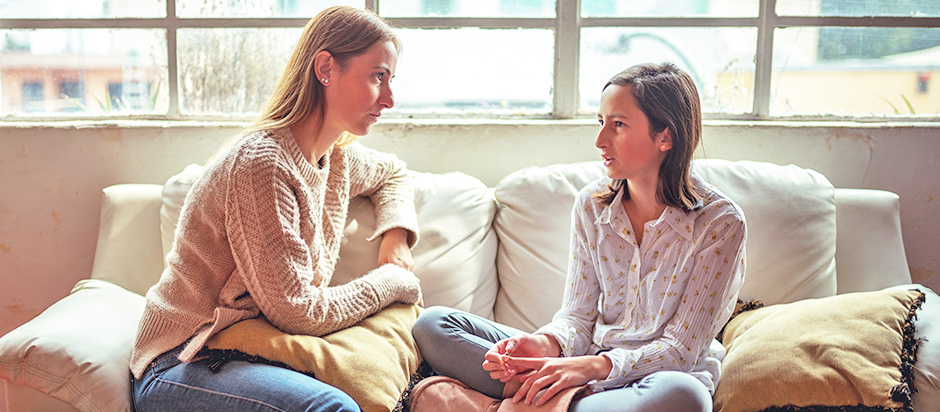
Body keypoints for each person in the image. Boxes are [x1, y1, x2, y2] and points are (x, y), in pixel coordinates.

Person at [130, 6, 422, 411]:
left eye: (390, 80)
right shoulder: (262, 165)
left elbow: (394, 173)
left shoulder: (335, 158)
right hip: (183, 356)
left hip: (251, 347)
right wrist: (393, 280)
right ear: (325, 68)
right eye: (378, 77)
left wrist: (397, 236)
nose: (389, 99)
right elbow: (299, 311)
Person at [412, 62, 746, 412]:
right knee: (434, 325)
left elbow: (681, 349)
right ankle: (552, 396)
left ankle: (519, 402)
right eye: (600, 122)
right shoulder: (592, 205)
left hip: (654, 379)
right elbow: (577, 316)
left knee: (685, 396)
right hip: (581, 366)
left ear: (666, 136)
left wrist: (587, 369)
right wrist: (545, 345)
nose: (600, 140)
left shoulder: (720, 224)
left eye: (618, 125)